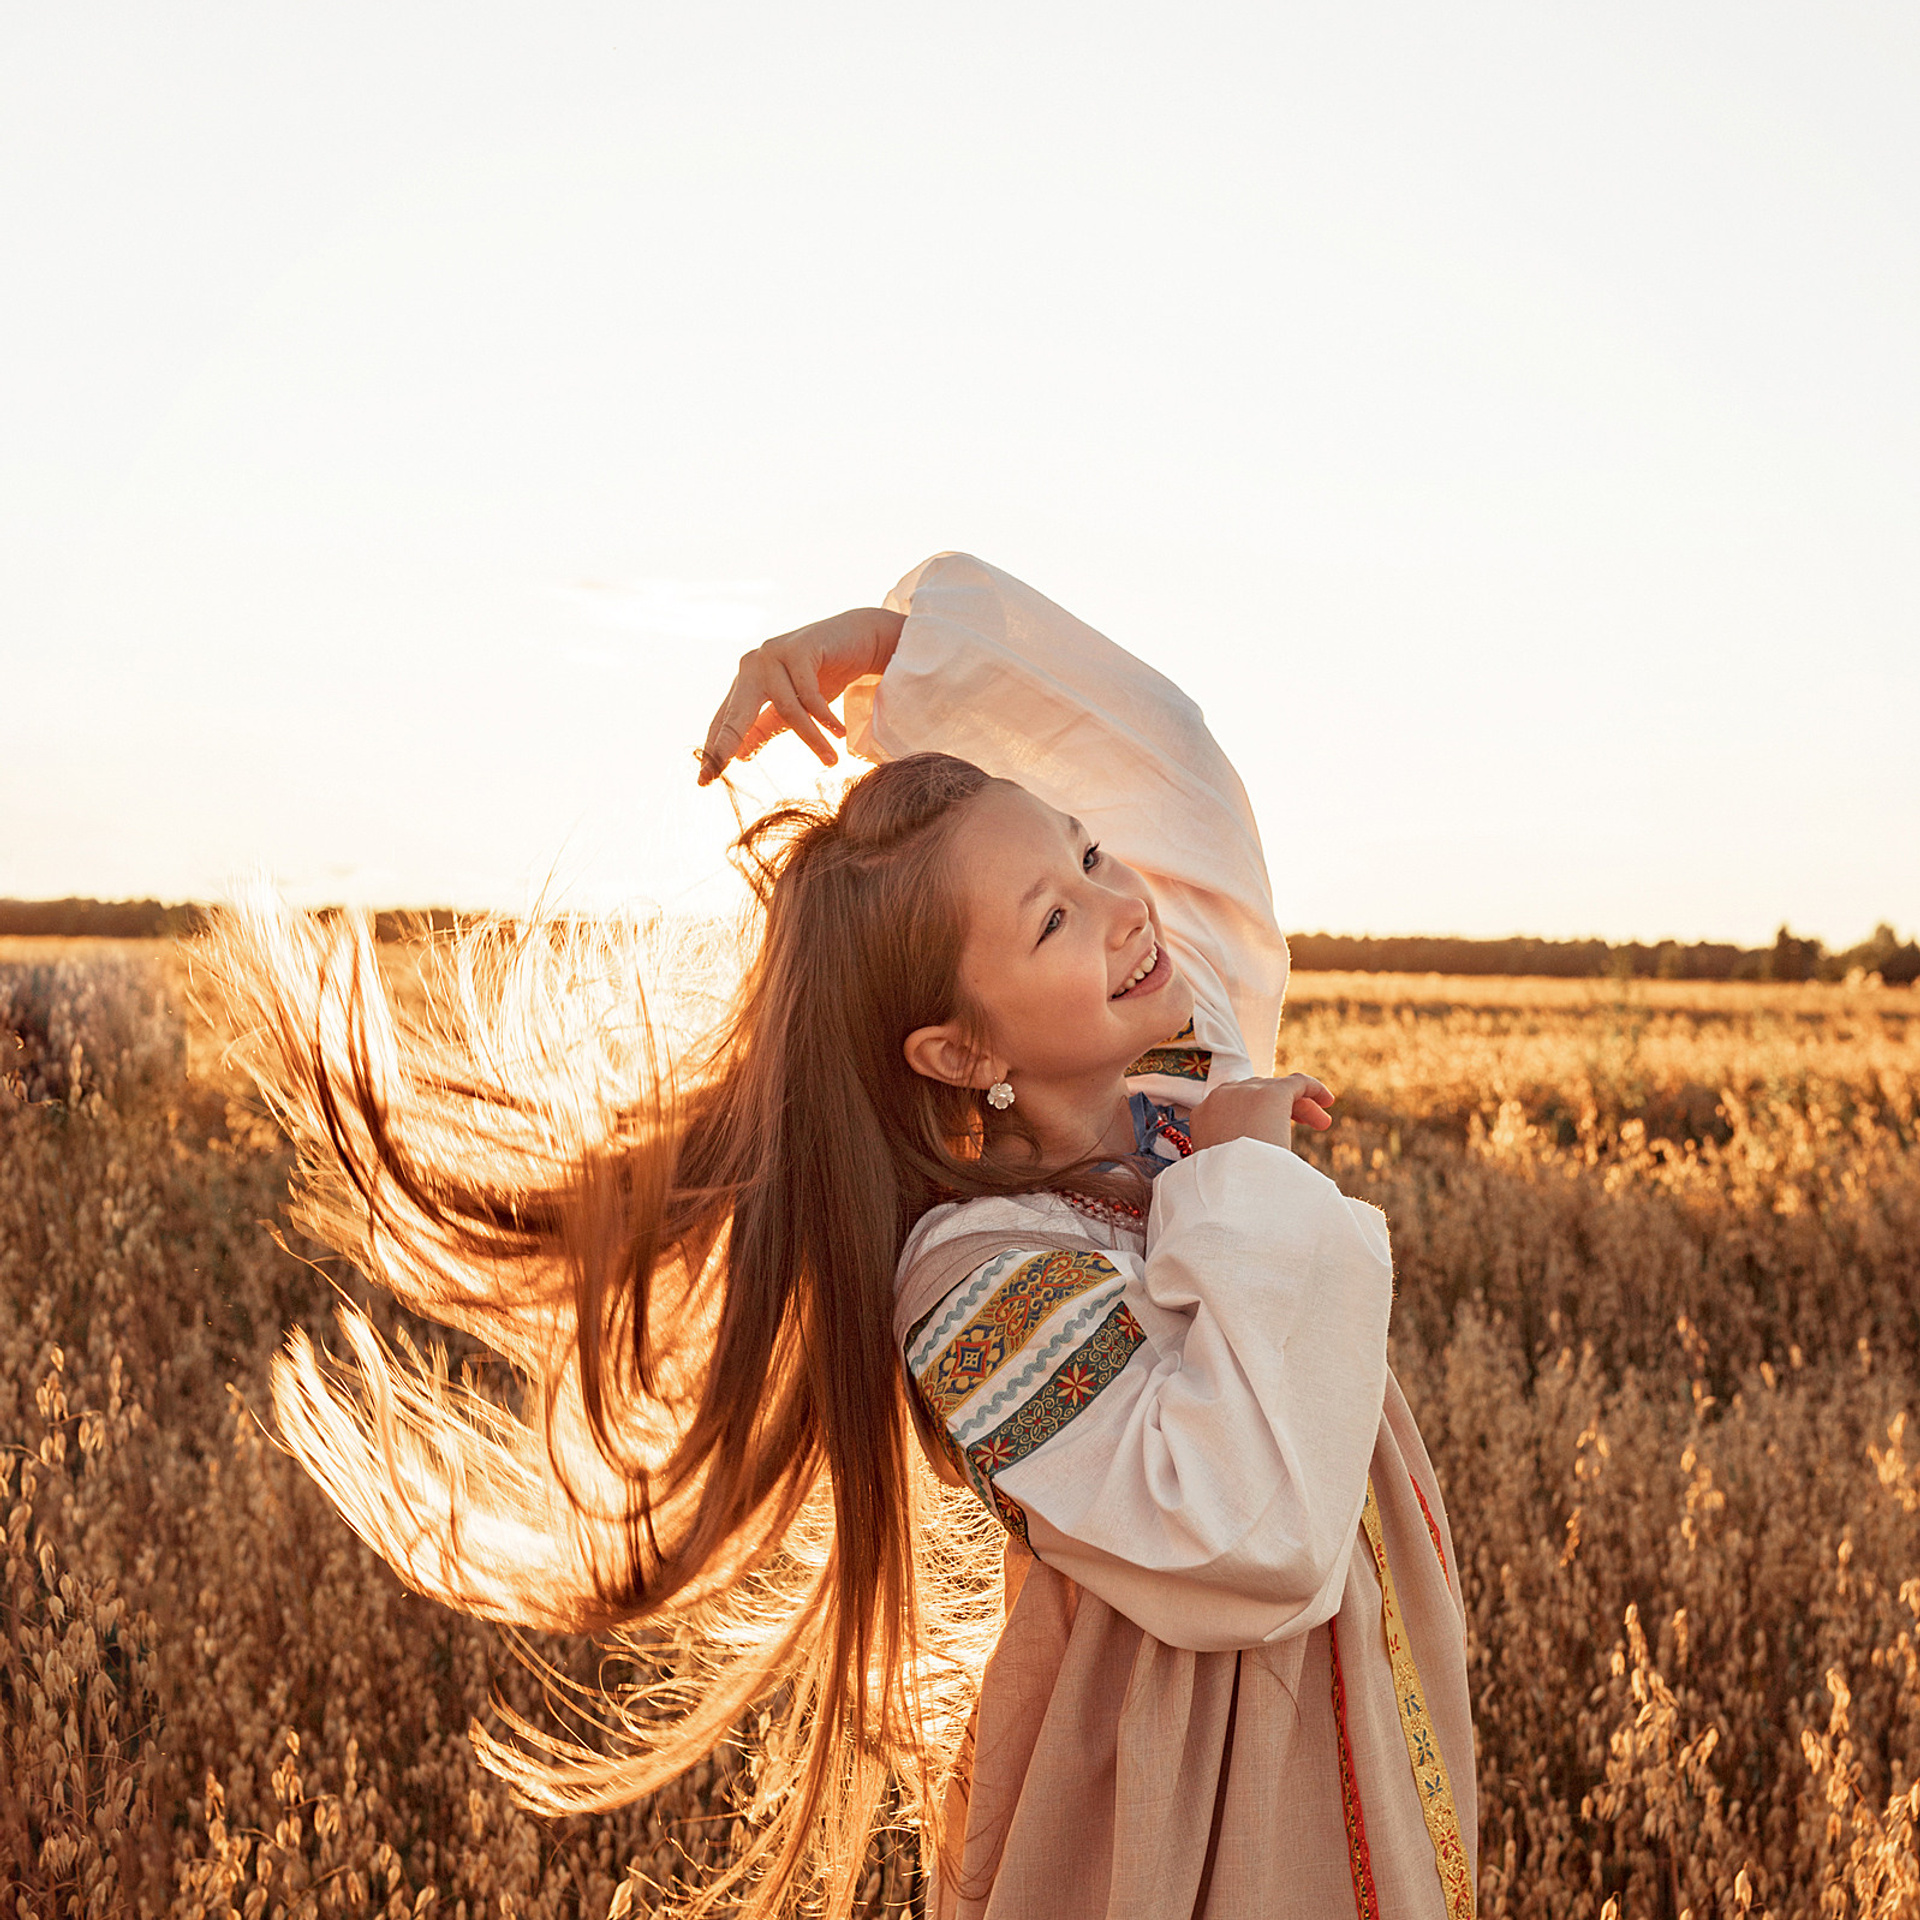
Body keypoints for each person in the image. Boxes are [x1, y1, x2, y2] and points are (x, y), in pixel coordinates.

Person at [209, 553, 1474, 1920]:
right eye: (1055, 914)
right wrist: (1248, 1178)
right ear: (958, 1045)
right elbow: (1254, 1537)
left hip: (1351, 1738)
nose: (1122, 904)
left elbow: (1181, 779)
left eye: (1089, 852)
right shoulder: (976, 1277)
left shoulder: (1165, 1071)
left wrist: (890, 646)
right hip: (1181, 1823)